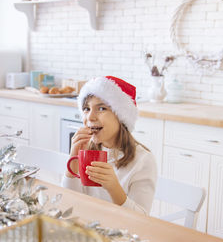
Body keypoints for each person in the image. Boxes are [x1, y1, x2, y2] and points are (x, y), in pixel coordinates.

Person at [62, 76, 157, 215]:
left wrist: (114, 188)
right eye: (86, 109)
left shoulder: (143, 160)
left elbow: (141, 219)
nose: (90, 117)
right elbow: (68, 204)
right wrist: (72, 162)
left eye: (101, 108)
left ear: (121, 116)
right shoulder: (85, 149)